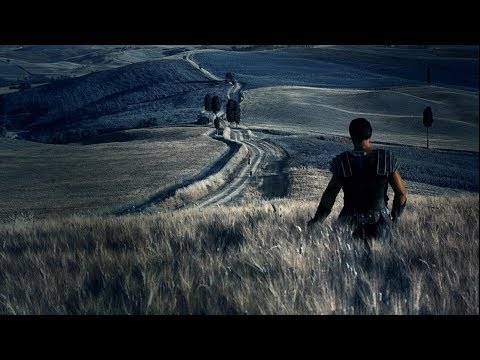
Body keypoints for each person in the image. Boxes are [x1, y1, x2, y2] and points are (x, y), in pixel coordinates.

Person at [307, 118, 407, 246]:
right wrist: (395, 219)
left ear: (351, 136)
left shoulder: (344, 161)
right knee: (381, 263)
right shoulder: (386, 158)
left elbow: (331, 194)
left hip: (349, 224)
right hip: (381, 223)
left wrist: (317, 220)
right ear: (370, 134)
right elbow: (401, 193)